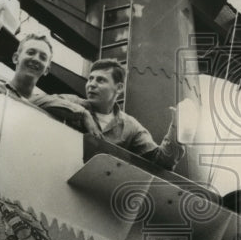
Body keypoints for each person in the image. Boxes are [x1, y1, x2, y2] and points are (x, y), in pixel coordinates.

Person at [35, 58, 185, 169]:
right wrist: (82, 114)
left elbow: (161, 162)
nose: (91, 84)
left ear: (119, 88)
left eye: (100, 80)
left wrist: (177, 128)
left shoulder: (130, 126)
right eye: (90, 79)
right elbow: (37, 100)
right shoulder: (74, 102)